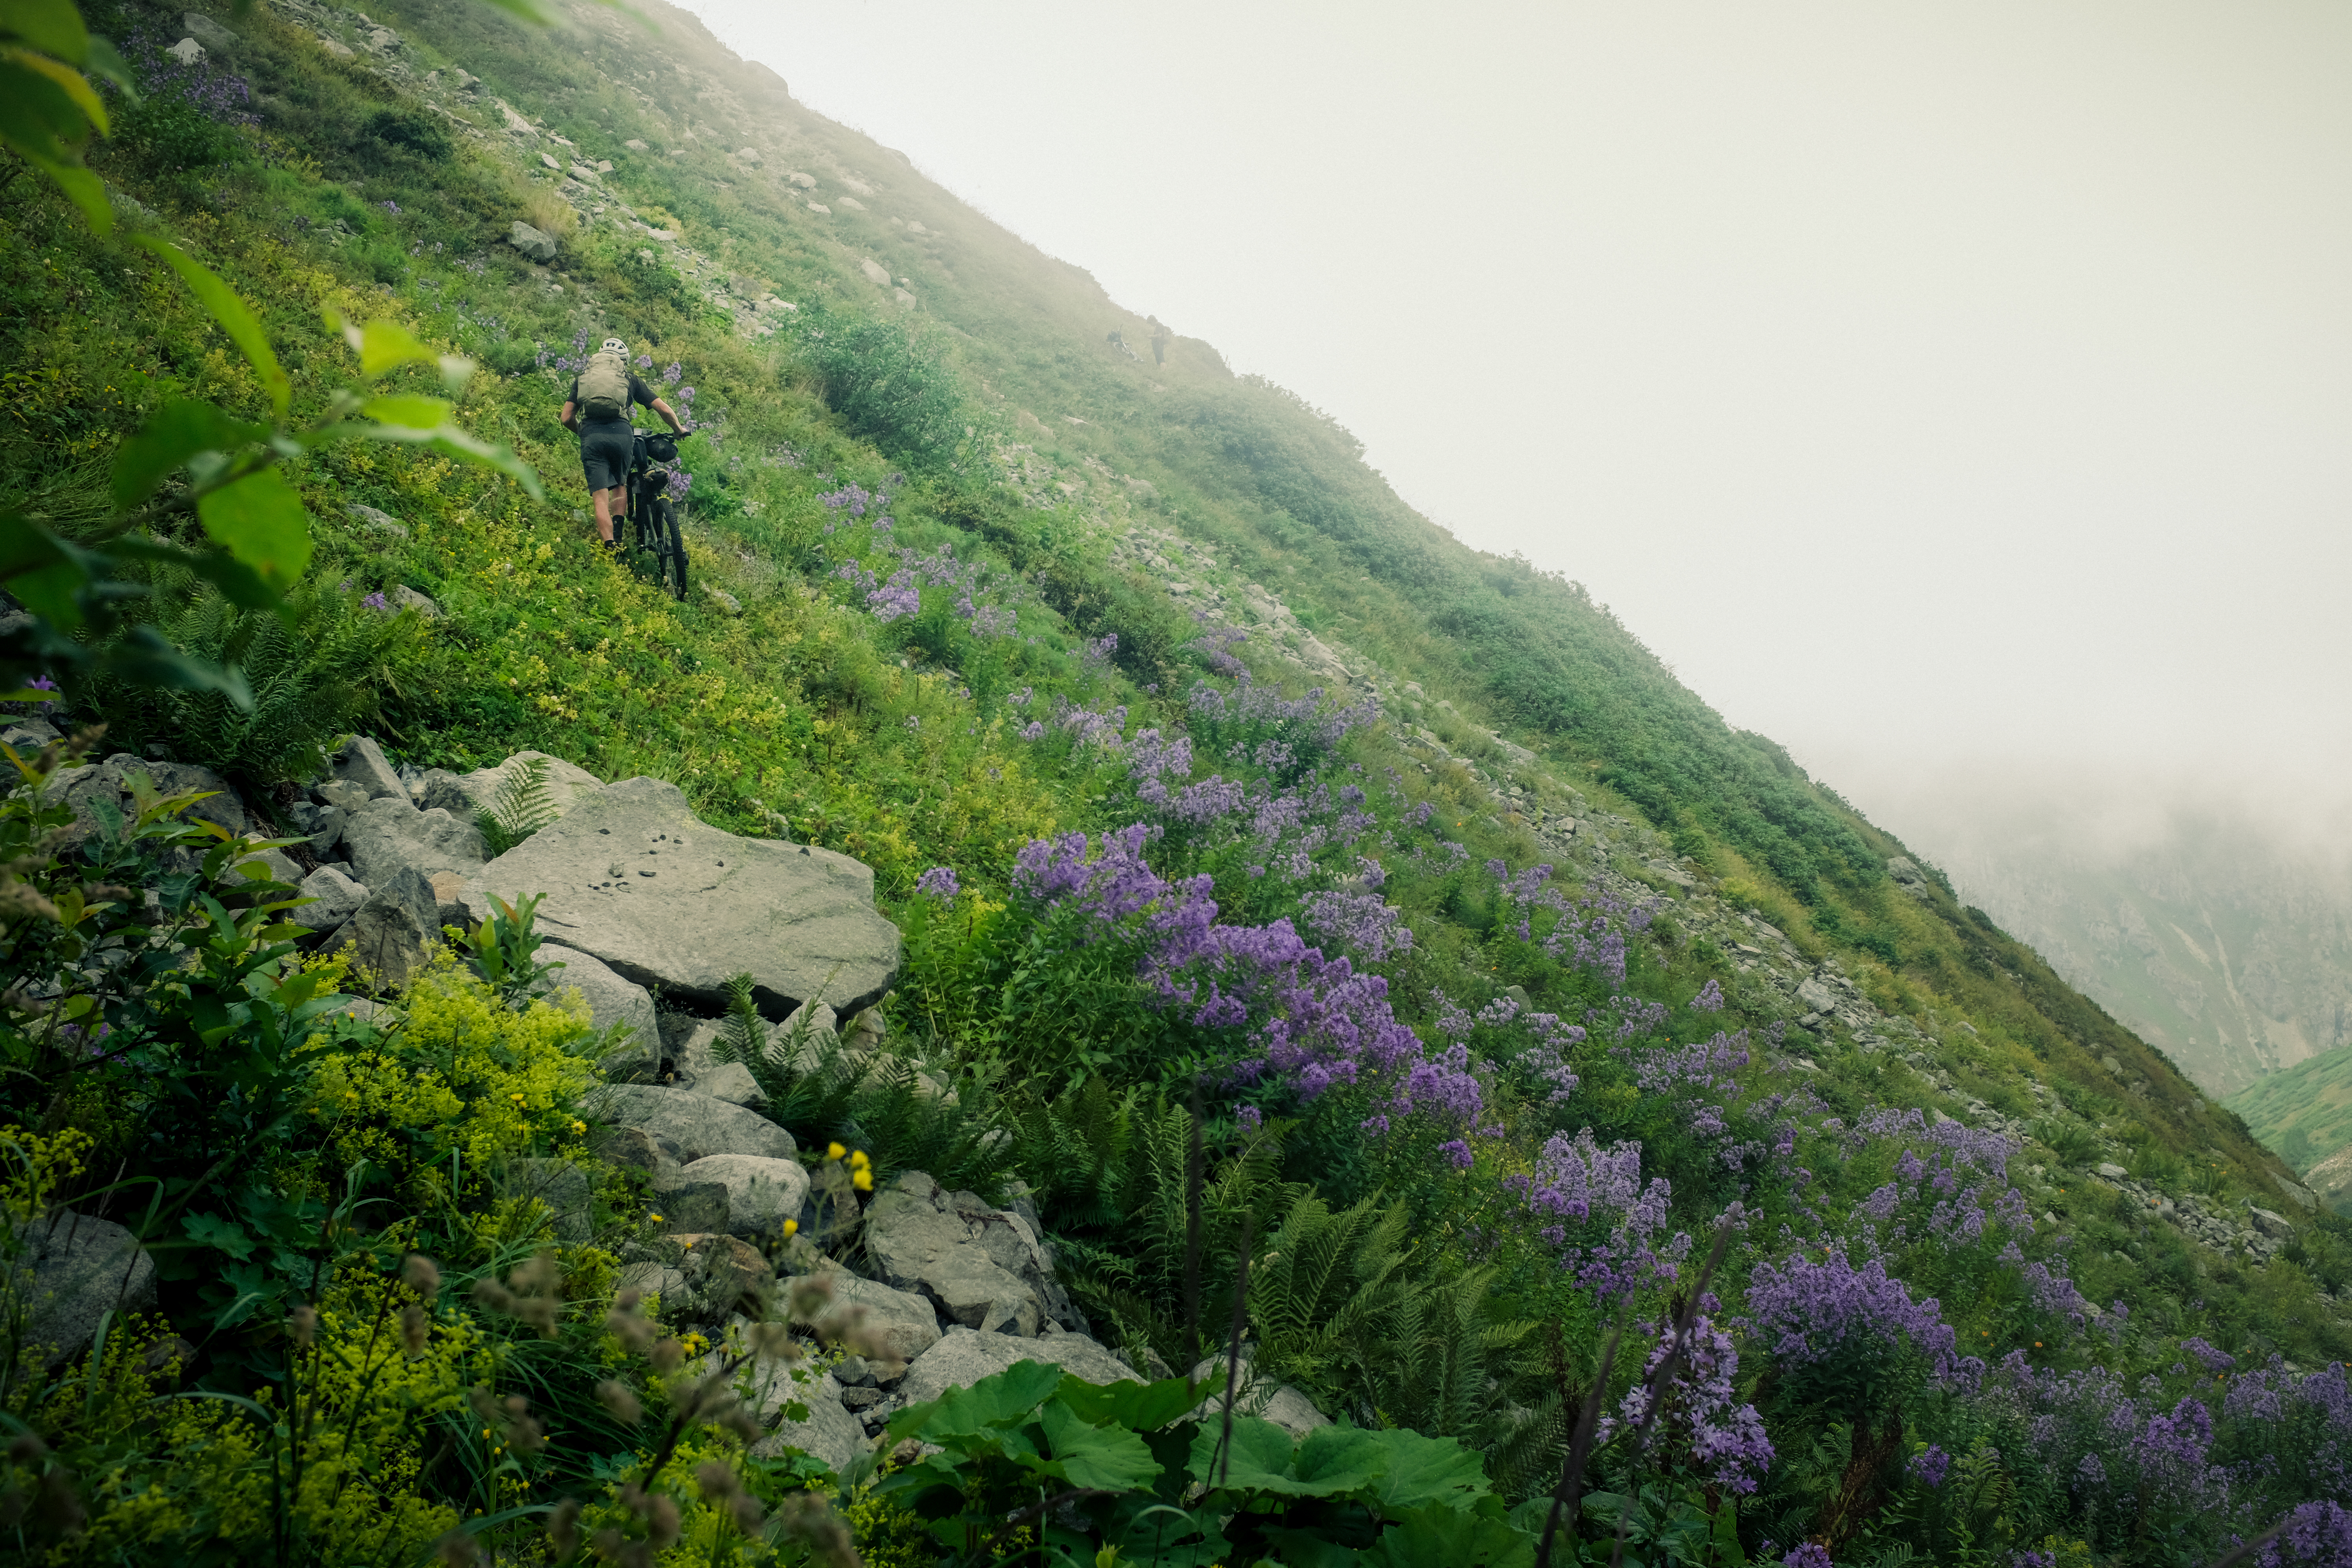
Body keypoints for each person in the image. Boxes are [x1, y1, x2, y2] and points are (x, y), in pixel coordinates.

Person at [559, 339, 685, 550]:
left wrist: (584, 433)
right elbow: (663, 409)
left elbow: (566, 418)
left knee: (600, 497)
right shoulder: (630, 380)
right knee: (620, 485)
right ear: (624, 361)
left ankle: (609, 547)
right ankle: (619, 537)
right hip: (622, 435)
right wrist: (678, 429)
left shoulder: (584, 380)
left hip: (592, 436)